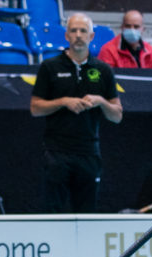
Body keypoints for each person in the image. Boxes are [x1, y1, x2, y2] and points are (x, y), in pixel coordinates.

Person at [30, 13, 123, 213]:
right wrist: (63, 102)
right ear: (66, 36)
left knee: (86, 214)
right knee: (52, 213)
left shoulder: (103, 70)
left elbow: (117, 115)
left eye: (83, 31)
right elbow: (35, 108)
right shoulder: (50, 67)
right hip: (57, 152)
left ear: (91, 36)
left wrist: (100, 102)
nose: (78, 35)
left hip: (89, 152)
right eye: (74, 30)